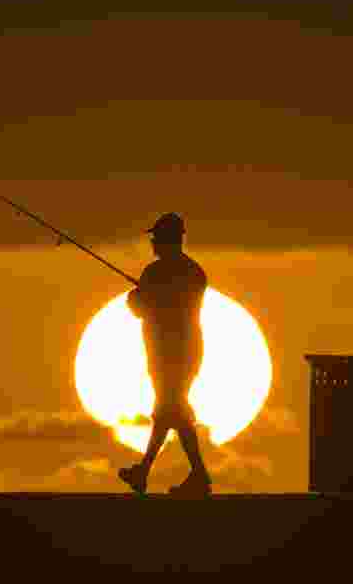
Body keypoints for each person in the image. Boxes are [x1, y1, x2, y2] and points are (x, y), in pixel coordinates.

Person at [118, 212, 212, 497]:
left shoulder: (158, 273)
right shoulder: (194, 273)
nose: (153, 243)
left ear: (168, 240)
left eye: (156, 238)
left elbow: (140, 307)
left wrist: (138, 296)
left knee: (171, 410)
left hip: (172, 355)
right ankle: (148, 472)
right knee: (169, 411)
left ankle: (193, 476)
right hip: (179, 353)